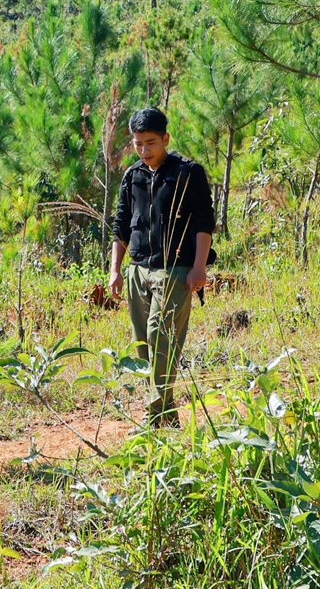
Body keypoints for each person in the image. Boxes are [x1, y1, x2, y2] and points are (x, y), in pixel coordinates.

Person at [107, 108, 216, 427]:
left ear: (166, 138)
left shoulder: (188, 173)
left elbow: (203, 221)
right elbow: (122, 224)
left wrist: (199, 267)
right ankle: (166, 417)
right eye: (138, 143)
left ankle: (153, 414)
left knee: (162, 338)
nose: (144, 150)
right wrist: (116, 269)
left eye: (151, 142)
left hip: (176, 272)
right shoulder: (133, 176)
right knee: (144, 345)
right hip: (138, 271)